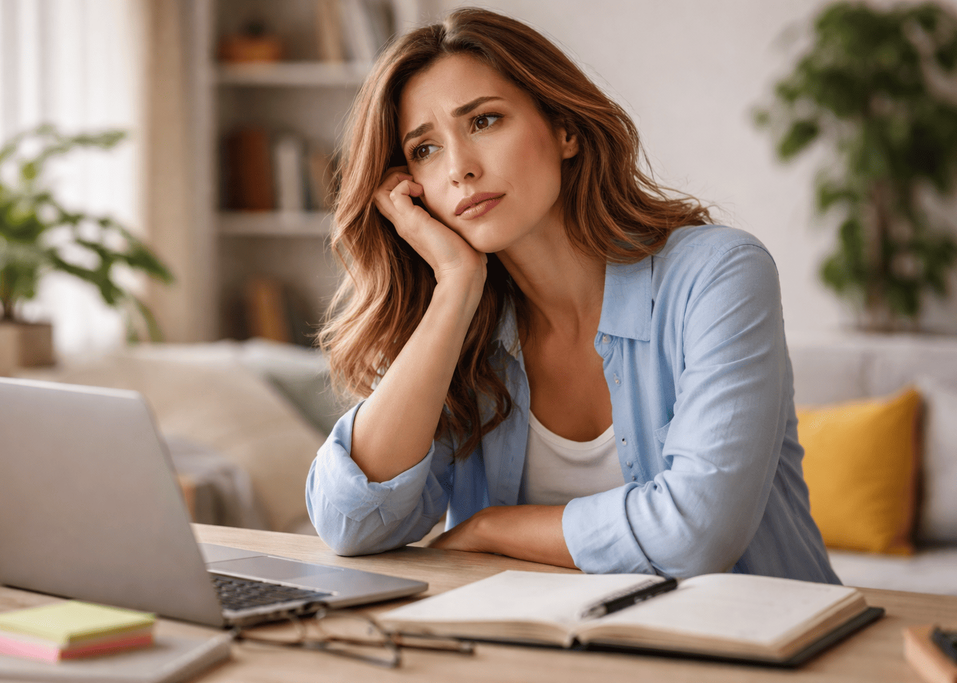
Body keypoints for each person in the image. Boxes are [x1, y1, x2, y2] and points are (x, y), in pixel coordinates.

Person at [305, 7, 839, 582]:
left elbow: (697, 532)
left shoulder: (720, 275)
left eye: (483, 121)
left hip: (763, 659)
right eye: (425, 150)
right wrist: (456, 287)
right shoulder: (464, 328)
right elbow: (351, 523)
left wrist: (491, 528)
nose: (459, 168)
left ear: (565, 129)